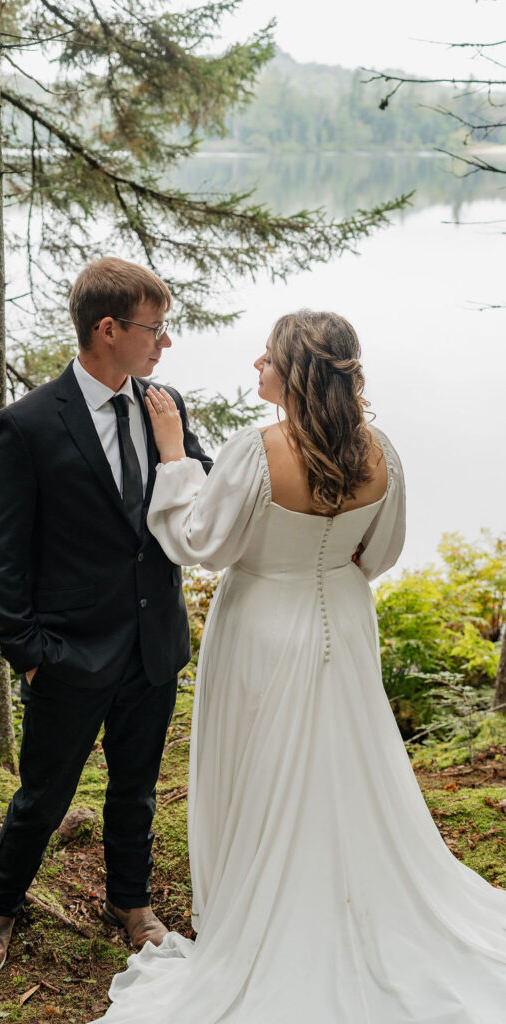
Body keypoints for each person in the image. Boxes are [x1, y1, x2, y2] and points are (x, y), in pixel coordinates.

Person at [89, 310, 506, 1023]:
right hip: (342, 617)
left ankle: (265, 909)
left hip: (261, 620)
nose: (256, 363)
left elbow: (201, 543)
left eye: (268, 357)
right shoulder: (381, 451)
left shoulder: (256, 450)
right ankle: (349, 893)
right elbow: (380, 554)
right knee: (344, 760)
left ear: (297, 371)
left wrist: (172, 456)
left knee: (261, 763)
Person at [0, 257, 212, 977]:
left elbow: (191, 508)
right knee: (43, 795)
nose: (162, 343)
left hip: (152, 644)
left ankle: (130, 902)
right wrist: (31, 652)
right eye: (153, 329)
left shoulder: (164, 406)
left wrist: (173, 448)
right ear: (107, 329)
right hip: (69, 653)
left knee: (134, 789)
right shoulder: (28, 425)